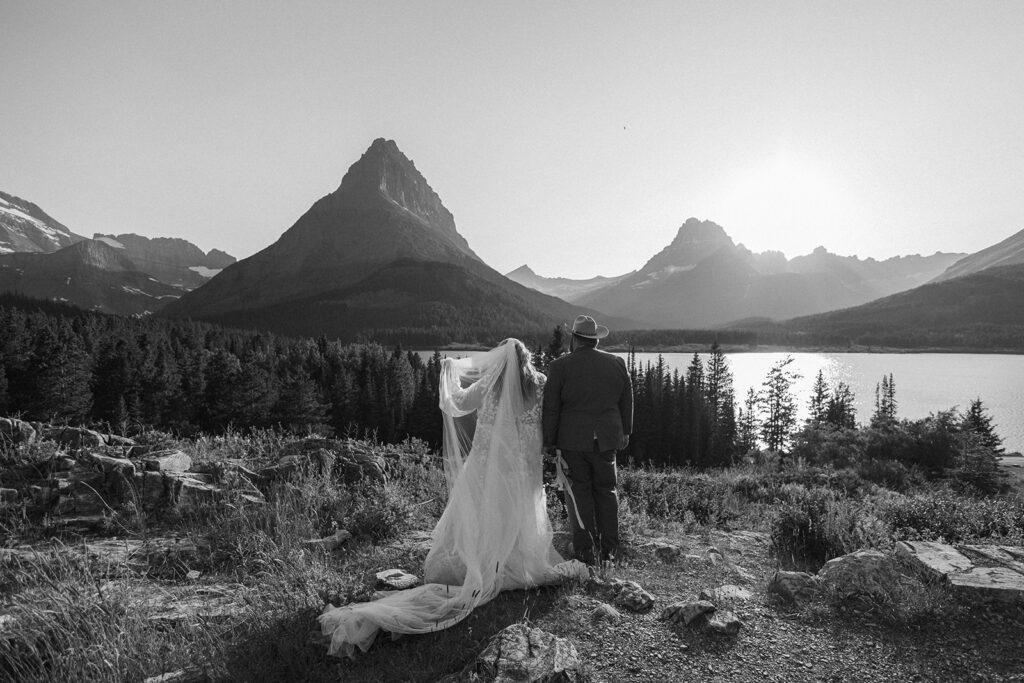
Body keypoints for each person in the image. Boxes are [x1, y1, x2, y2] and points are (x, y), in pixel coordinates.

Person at [319, 338, 586, 659]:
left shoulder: (489, 384)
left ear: (500, 361)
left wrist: (449, 371)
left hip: (488, 463)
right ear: (526, 358)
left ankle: (482, 558)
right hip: (522, 465)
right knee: (517, 511)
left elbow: (458, 401)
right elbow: (550, 418)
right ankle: (513, 560)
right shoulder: (540, 384)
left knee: (483, 511)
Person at [542, 315, 633, 566]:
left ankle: (584, 552)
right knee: (607, 491)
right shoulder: (616, 362)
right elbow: (627, 399)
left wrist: (548, 441)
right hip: (607, 440)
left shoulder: (560, 366)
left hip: (573, 441)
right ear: (594, 339)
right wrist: (626, 431)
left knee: (579, 492)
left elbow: (551, 407)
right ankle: (609, 550)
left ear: (574, 338)